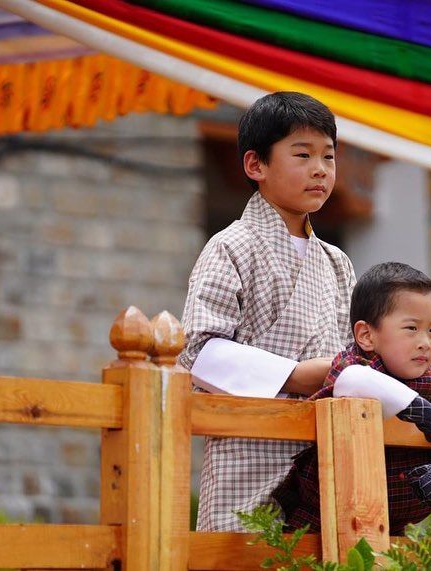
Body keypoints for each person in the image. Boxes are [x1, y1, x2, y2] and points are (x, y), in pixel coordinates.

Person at [179, 92, 355, 531]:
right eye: (303, 154)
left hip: (322, 447)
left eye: (328, 157)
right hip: (248, 443)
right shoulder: (231, 245)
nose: (320, 169)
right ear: (256, 165)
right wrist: (295, 375)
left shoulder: (337, 261)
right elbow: (197, 352)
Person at [273, 262, 431, 535]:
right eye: (411, 328)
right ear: (366, 335)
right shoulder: (355, 363)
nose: (425, 342)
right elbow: (353, 380)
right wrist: (420, 410)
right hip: (319, 522)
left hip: (394, 526)